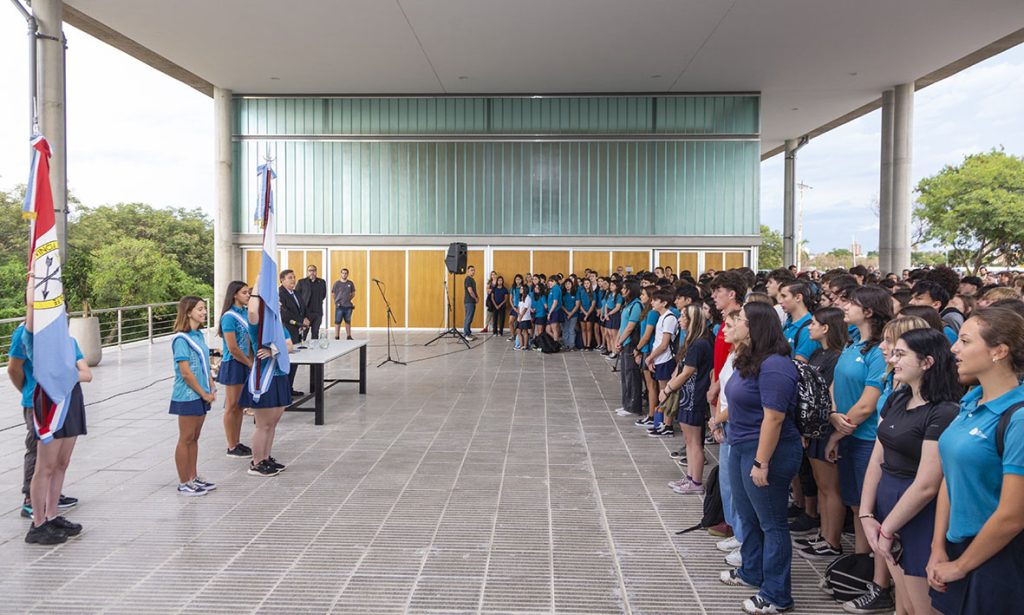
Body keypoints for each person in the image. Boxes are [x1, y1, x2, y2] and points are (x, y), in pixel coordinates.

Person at [850, 328, 960, 614]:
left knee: (920, 606)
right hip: (888, 504)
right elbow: (877, 458)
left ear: (927, 362)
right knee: (903, 604)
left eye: (900, 354)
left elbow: (927, 485)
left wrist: (886, 528)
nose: (892, 358)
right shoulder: (897, 398)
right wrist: (866, 514)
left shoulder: (944, 411)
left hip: (916, 512)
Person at [929, 307, 1024, 614]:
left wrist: (961, 566)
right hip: (957, 549)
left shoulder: (1019, 418)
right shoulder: (971, 400)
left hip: (998, 558)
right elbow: (950, 476)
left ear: (999, 351)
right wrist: (937, 548)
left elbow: (1013, 515)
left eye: (965, 341)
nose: (954, 348)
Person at [718, 301, 804, 615]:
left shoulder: (776, 365)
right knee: (749, 514)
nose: (733, 322)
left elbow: (774, 418)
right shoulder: (749, 358)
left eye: (739, 319)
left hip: (768, 451)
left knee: (773, 524)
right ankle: (752, 570)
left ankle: (777, 595)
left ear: (756, 326)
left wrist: (761, 461)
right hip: (741, 445)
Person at [15, 279, 91, 544]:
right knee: (44, 466)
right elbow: (32, 308)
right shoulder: (35, 339)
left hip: (70, 402)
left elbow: (87, 373)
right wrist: (35, 280)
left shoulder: (69, 342)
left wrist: (65, 375)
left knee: (62, 463)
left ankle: (52, 514)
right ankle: (37, 523)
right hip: (49, 405)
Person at [823, 286, 893, 562]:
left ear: (868, 311)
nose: (845, 307)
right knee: (855, 504)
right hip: (845, 432)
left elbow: (867, 404)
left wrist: (835, 435)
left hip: (865, 438)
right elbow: (835, 385)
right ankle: (860, 563)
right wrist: (832, 412)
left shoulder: (878, 351)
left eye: (851, 303)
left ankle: (873, 572)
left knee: (868, 508)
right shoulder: (853, 343)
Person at [8, 324, 82, 523]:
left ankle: (51, 498)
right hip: (37, 401)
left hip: (59, 400)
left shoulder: (58, 333)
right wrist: (27, 391)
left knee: (57, 458)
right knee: (36, 449)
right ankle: (30, 499)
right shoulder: (25, 333)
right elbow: (13, 368)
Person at [239, 290, 293, 477]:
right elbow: (252, 311)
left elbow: (289, 345)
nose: (278, 303)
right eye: (274, 300)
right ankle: (256, 462)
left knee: (272, 423)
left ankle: (266, 457)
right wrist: (257, 285)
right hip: (264, 379)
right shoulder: (258, 324)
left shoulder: (278, 325)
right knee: (262, 424)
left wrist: (273, 350)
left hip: (279, 376)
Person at [169, 297, 217, 496]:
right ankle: (183, 481)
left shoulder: (197, 335)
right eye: (200, 309)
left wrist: (211, 384)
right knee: (186, 438)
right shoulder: (181, 339)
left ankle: (193, 476)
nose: (204, 312)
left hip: (201, 393)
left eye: (204, 308)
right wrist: (203, 392)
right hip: (188, 395)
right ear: (188, 312)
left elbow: (205, 363)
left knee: (195, 438)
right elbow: (186, 373)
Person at [662, 303, 713, 481]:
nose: (679, 319)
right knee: (688, 439)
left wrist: (668, 389)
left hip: (694, 396)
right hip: (688, 395)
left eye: (684, 317)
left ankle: (696, 480)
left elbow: (687, 372)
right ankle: (690, 477)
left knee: (694, 441)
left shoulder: (699, 344)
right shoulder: (693, 341)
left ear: (693, 320)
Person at [217, 281, 253, 459]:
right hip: (234, 363)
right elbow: (232, 347)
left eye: (248, 292)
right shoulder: (229, 317)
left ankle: (237, 442)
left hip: (245, 361)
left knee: (240, 406)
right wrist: (248, 363)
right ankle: (231, 445)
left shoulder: (245, 313)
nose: (248, 295)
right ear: (235, 295)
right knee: (231, 406)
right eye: (244, 292)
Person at [646, 289, 680, 436]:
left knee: (666, 392)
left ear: (664, 303)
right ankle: (663, 422)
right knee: (662, 391)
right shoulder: (661, 317)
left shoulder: (669, 318)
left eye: (655, 300)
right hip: (659, 359)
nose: (652, 302)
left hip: (666, 359)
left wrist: (650, 357)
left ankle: (668, 425)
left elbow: (664, 344)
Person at [614, 281, 644, 417]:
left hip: (631, 343)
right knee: (625, 376)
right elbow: (623, 325)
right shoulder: (628, 305)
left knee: (632, 375)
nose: (622, 291)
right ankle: (626, 404)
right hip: (624, 342)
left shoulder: (637, 305)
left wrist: (620, 340)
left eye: (625, 288)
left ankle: (633, 406)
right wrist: (617, 340)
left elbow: (631, 326)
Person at [278, 269, 306, 396]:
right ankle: (284, 390)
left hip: (298, 331)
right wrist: (299, 322)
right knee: (288, 360)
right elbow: (284, 313)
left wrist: (304, 320)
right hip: (287, 331)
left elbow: (302, 309)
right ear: (282, 280)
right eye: (290, 277)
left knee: (295, 361)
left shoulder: (296, 293)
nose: (293, 280)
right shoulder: (280, 294)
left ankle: (289, 388)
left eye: (294, 277)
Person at [295, 264, 327, 339]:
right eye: (310, 271)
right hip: (306, 313)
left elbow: (323, 295)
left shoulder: (322, 282)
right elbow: (297, 295)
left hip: (317, 312)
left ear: (316, 272)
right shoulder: (301, 282)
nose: (312, 272)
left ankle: (315, 350)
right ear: (307, 272)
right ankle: (302, 348)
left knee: (315, 333)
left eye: (314, 270)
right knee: (304, 333)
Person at [331, 268, 356, 340]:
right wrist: (337, 301)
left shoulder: (350, 283)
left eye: (345, 273)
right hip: (339, 306)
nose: (344, 274)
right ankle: (336, 336)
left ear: (347, 274)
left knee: (348, 321)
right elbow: (333, 293)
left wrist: (348, 299)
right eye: (343, 273)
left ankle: (349, 336)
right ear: (341, 274)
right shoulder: (337, 283)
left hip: (348, 306)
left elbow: (353, 293)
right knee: (337, 321)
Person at [579, 278, 597, 350]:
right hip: (582, 312)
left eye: (588, 283)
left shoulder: (593, 293)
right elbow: (579, 304)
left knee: (589, 329)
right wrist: (584, 313)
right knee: (583, 329)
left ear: (590, 284)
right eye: (585, 283)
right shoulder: (581, 291)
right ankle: (584, 344)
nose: (586, 285)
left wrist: (587, 314)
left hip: (590, 313)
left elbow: (593, 305)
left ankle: (588, 345)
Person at [561, 278, 579, 350]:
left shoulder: (575, 293)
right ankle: (566, 345)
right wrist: (567, 312)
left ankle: (572, 345)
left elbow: (577, 305)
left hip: (574, 315)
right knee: (565, 330)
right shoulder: (563, 294)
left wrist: (571, 313)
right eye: (566, 284)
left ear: (572, 285)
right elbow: (561, 305)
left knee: (571, 330)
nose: (567, 285)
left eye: (569, 284)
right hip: (565, 314)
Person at [515, 283, 533, 351]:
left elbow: (525, 308)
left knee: (525, 332)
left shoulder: (528, 298)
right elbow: (519, 307)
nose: (520, 289)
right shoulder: (521, 297)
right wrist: (518, 315)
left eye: (522, 288)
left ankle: (525, 346)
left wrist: (521, 316)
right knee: (518, 331)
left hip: (525, 318)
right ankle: (521, 345)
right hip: (520, 317)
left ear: (525, 290)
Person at [463, 265, 478, 341]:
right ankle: (466, 334)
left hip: (471, 302)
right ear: (468, 271)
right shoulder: (468, 279)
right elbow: (470, 290)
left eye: (474, 270)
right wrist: (475, 298)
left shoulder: (472, 279)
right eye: (471, 270)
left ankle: (468, 333)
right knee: (468, 318)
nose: (473, 271)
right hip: (469, 302)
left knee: (470, 318)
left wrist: (476, 298)